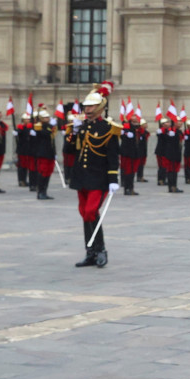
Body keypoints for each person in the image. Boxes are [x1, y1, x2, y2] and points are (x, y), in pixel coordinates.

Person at [71, 82, 120, 268]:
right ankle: (90, 252)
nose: (87, 109)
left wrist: (113, 179)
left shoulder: (109, 129)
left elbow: (113, 156)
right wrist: (73, 131)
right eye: (86, 106)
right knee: (84, 213)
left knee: (91, 211)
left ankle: (101, 250)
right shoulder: (80, 126)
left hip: (99, 178)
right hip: (82, 177)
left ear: (99, 108)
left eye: (91, 106)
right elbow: (69, 150)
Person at [32, 107, 57, 200]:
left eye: (48, 117)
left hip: (50, 152)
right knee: (42, 172)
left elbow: (52, 138)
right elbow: (45, 134)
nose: (48, 118)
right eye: (46, 117)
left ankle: (45, 191)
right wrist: (51, 127)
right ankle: (40, 192)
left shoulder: (50, 126)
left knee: (48, 173)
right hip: (42, 153)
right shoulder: (39, 126)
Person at [15, 111, 32, 189]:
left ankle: (24, 180)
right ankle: (21, 180)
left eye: (28, 119)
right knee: (21, 166)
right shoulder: (21, 127)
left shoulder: (30, 128)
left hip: (28, 149)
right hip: (22, 149)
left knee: (26, 166)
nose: (28, 120)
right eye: (26, 119)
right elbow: (20, 134)